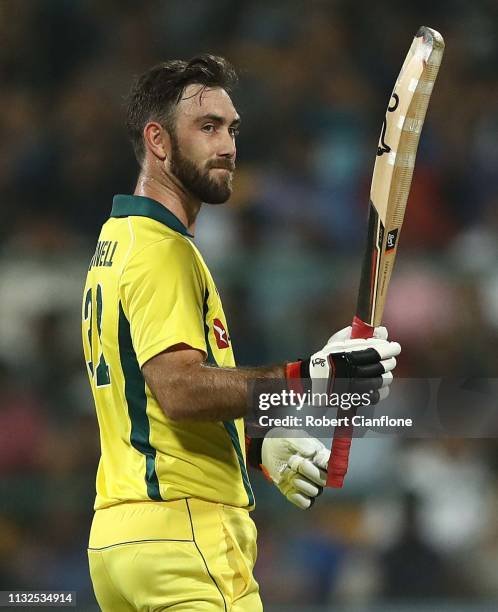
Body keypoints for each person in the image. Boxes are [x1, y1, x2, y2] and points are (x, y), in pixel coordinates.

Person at [82, 54, 400, 611]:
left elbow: (147, 403)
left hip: (119, 543)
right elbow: (179, 391)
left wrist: (256, 445)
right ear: (158, 141)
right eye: (207, 128)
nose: (227, 145)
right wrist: (312, 376)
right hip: (187, 539)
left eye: (231, 128)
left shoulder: (118, 241)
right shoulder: (164, 252)